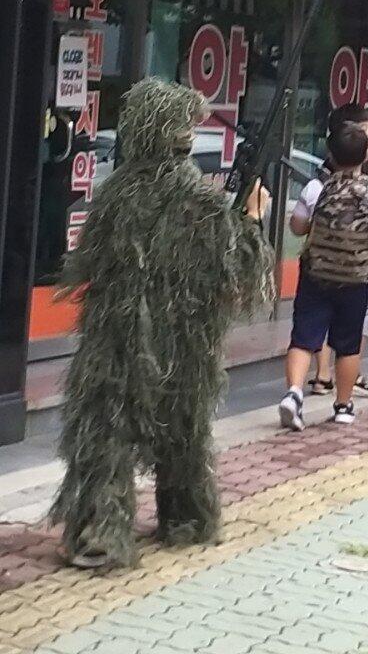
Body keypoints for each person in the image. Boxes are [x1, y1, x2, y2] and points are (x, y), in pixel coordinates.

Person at [50, 78, 274, 569]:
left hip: (117, 337)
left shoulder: (115, 196)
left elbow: (87, 264)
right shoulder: (198, 200)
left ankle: (99, 530)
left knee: (107, 430)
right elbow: (242, 270)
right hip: (184, 341)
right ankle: (185, 518)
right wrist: (252, 218)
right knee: (183, 431)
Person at [279, 121, 368, 430]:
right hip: (355, 280)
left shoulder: (315, 188)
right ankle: (343, 406)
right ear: (365, 155)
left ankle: (294, 394)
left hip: (315, 276)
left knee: (303, 338)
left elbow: (297, 227)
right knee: (348, 345)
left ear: (331, 154)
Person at [310, 104, 368, 397]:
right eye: (365, 129)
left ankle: (329, 373)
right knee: (365, 306)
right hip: (349, 260)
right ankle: (344, 372)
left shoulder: (330, 171)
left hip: (325, 257)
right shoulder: (342, 171)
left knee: (326, 312)